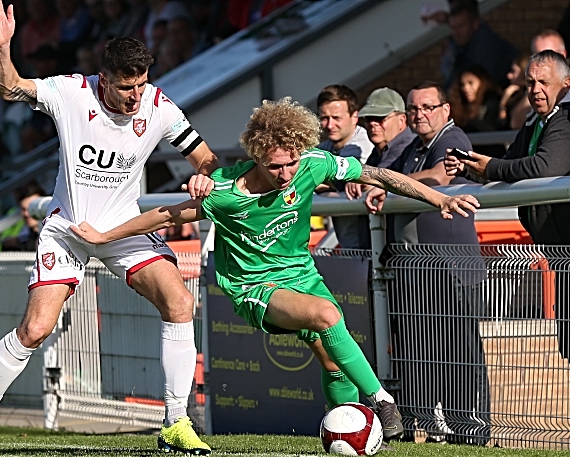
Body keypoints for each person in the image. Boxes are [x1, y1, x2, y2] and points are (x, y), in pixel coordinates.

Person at [69, 97, 480, 445]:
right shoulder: (227, 191)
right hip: (253, 287)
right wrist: (104, 236)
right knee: (327, 316)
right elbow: (163, 215)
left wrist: (436, 199)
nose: (286, 174)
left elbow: (378, 174)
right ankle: (383, 400)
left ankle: (344, 435)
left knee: (333, 360)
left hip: (301, 275)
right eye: (275, 166)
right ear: (256, 156)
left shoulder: (313, 164)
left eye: (291, 164)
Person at [0, 2, 218, 456]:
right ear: (103, 79)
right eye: (127, 87)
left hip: (124, 229)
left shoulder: (159, 106)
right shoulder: (71, 92)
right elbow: (8, 87)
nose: (136, 97)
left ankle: (176, 422)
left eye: (142, 85)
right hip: (68, 229)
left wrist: (204, 172)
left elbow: (205, 156)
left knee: (180, 301)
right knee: (34, 330)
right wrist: (2, 47)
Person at [369, 80, 490, 445]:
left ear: (445, 110)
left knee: (461, 354)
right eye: (414, 109)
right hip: (423, 270)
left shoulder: (454, 141)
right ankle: (433, 424)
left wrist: (386, 183)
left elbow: (439, 176)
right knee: (427, 352)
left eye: (428, 107)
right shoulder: (415, 149)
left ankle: (471, 430)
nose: (420, 115)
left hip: (453, 269)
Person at [445, 50, 570, 362]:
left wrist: (491, 168)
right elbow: (511, 163)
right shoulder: (537, 120)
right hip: (559, 254)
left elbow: (545, 167)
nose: (535, 90)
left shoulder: (566, 119)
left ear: (566, 85)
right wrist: (469, 167)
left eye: (544, 82)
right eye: (530, 83)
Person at [343, 87, 416, 247]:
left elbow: (379, 179)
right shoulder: (378, 152)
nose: (373, 124)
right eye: (368, 119)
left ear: (402, 120)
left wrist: (362, 179)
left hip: (408, 252)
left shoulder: (408, 146)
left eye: (380, 118)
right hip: (392, 250)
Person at [314, 84, 374, 249]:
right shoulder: (325, 148)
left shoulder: (362, 144)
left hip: (372, 245)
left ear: (354, 117)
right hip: (350, 247)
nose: (330, 125)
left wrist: (323, 185)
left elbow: (349, 178)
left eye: (336, 118)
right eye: (324, 118)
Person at [440, 1, 518, 90]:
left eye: (461, 26)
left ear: (475, 23)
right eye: (453, 27)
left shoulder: (487, 44)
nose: (456, 32)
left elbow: (484, 81)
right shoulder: (460, 45)